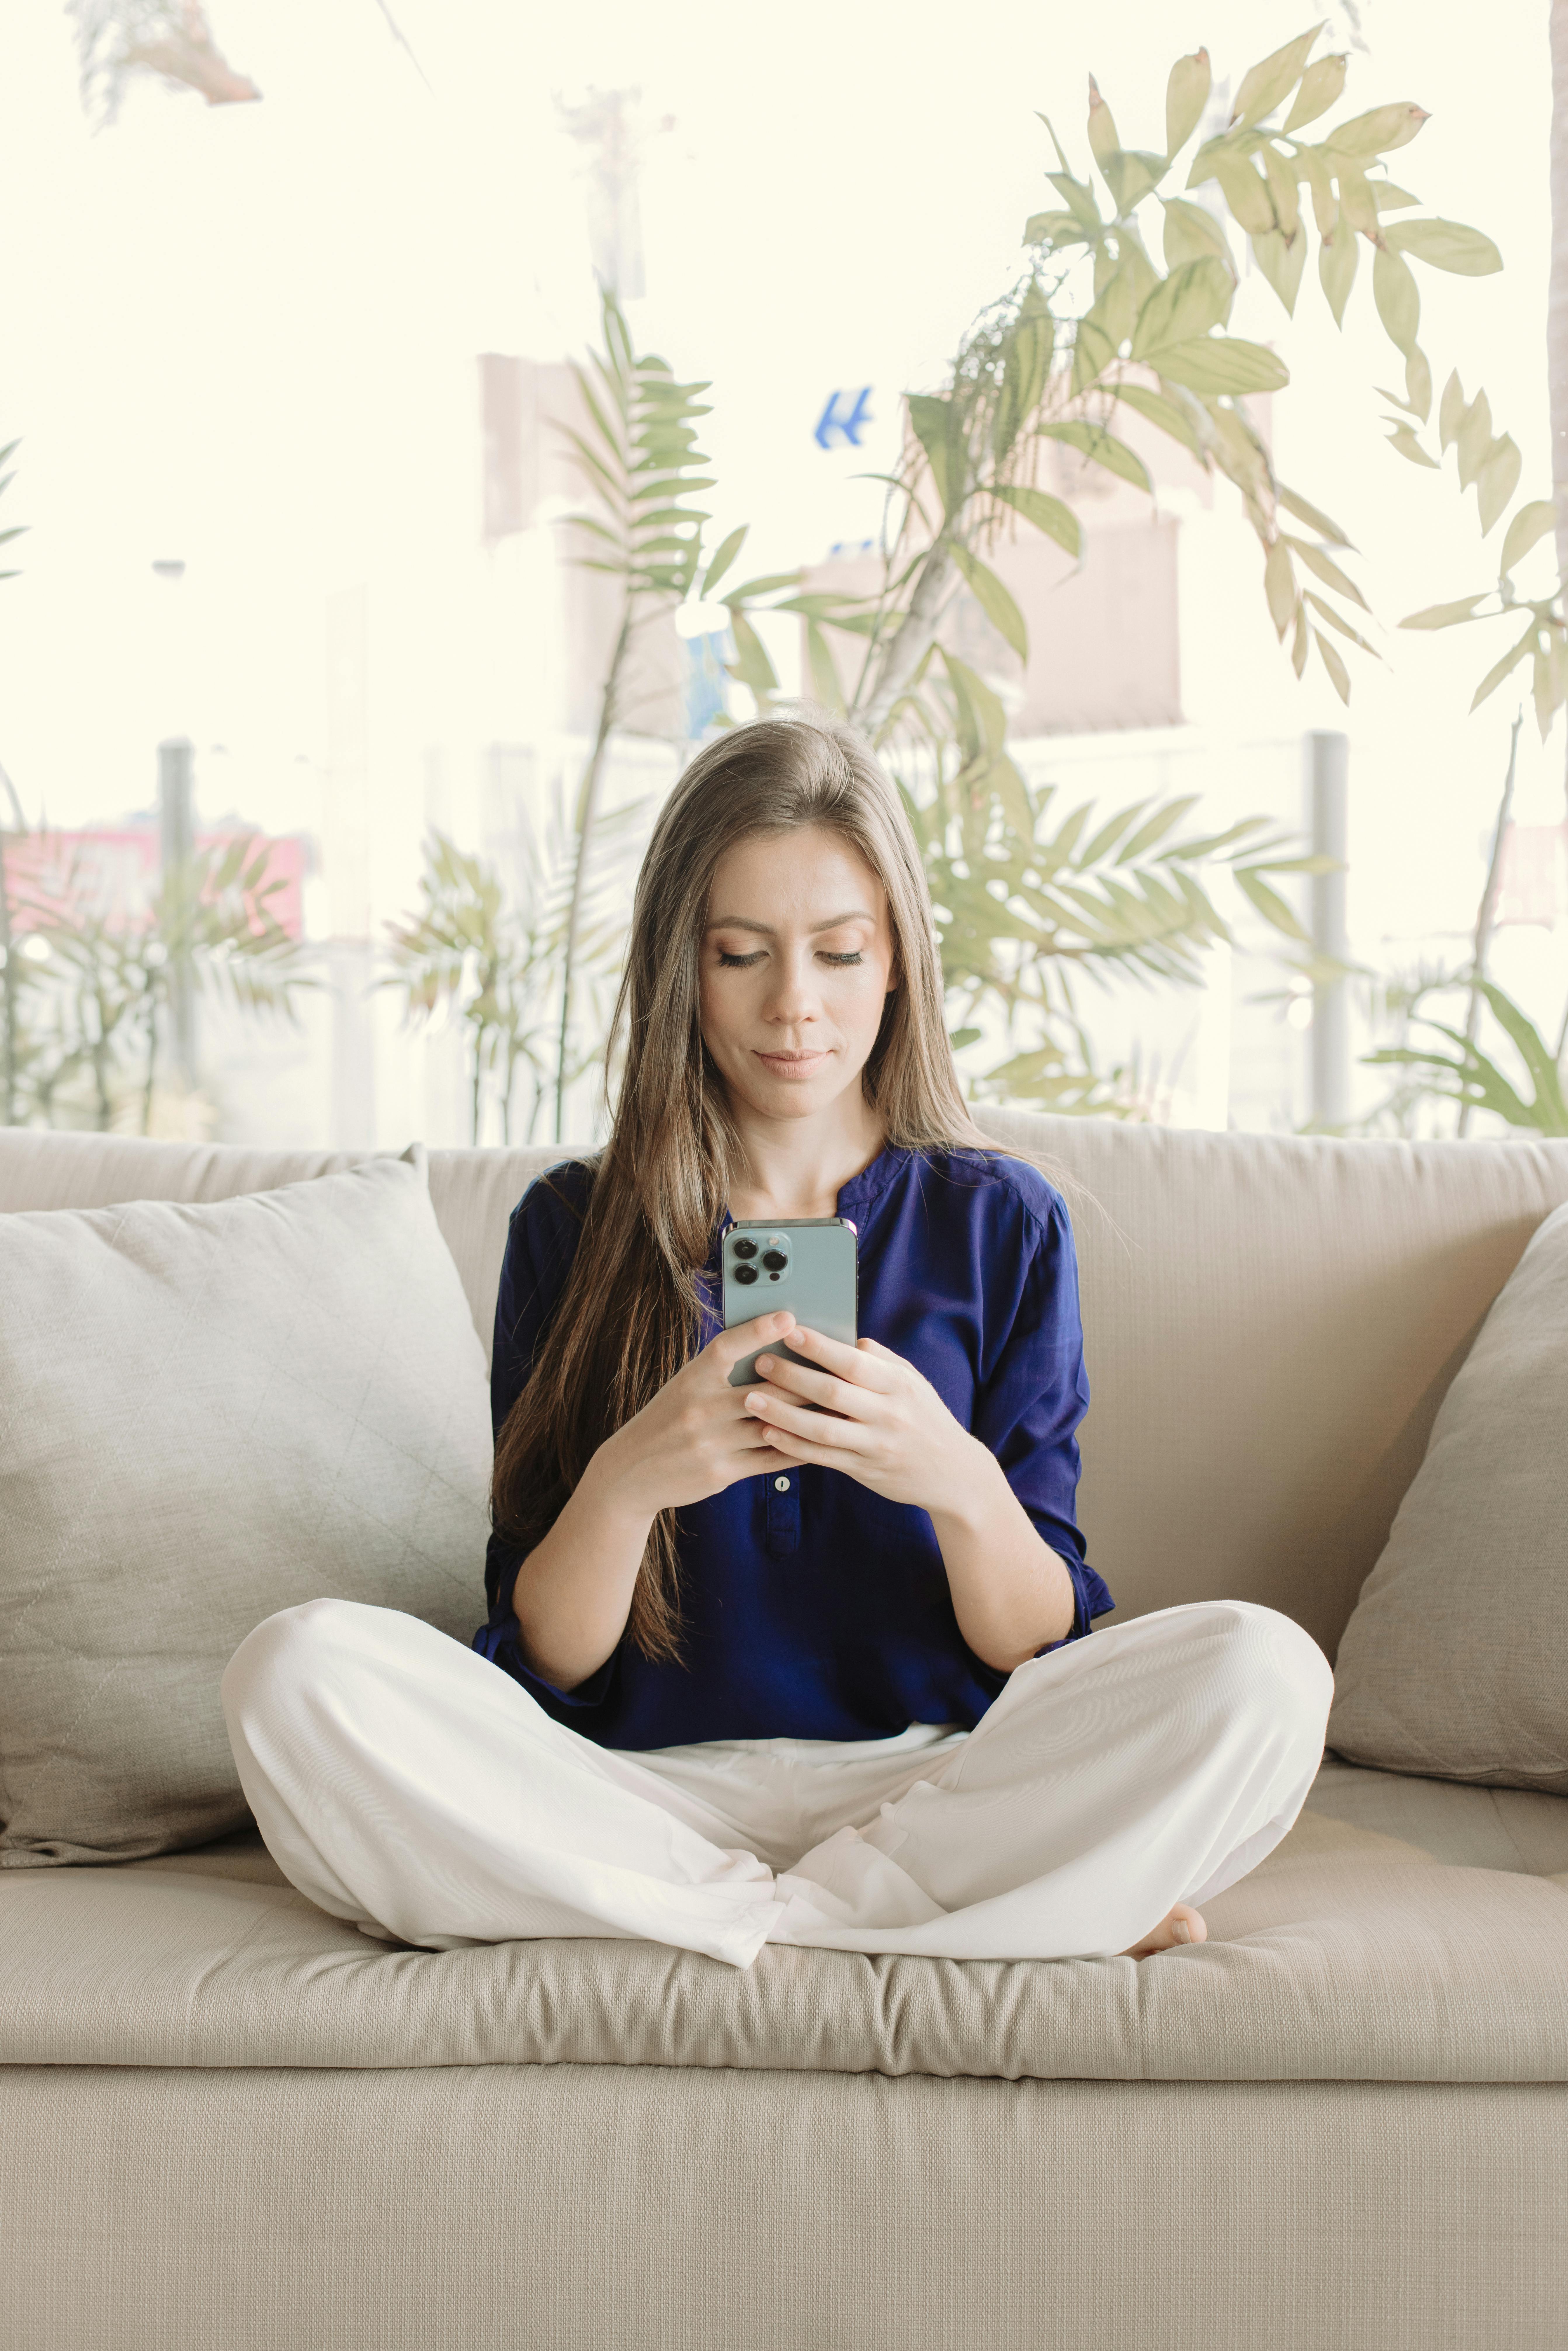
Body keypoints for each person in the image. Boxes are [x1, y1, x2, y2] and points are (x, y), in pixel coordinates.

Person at [222, 714, 1333, 1970]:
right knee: (295, 1669)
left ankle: (719, 1917)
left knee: (1266, 1671)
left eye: (839, 953)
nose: (793, 1006)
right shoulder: (572, 1227)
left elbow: (1033, 1641)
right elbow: (542, 1652)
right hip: (636, 1792)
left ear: (898, 962)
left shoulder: (999, 1220)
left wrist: (952, 1478)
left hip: (934, 1791)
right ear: (679, 970)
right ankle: (918, 1920)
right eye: (741, 953)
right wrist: (634, 1476)